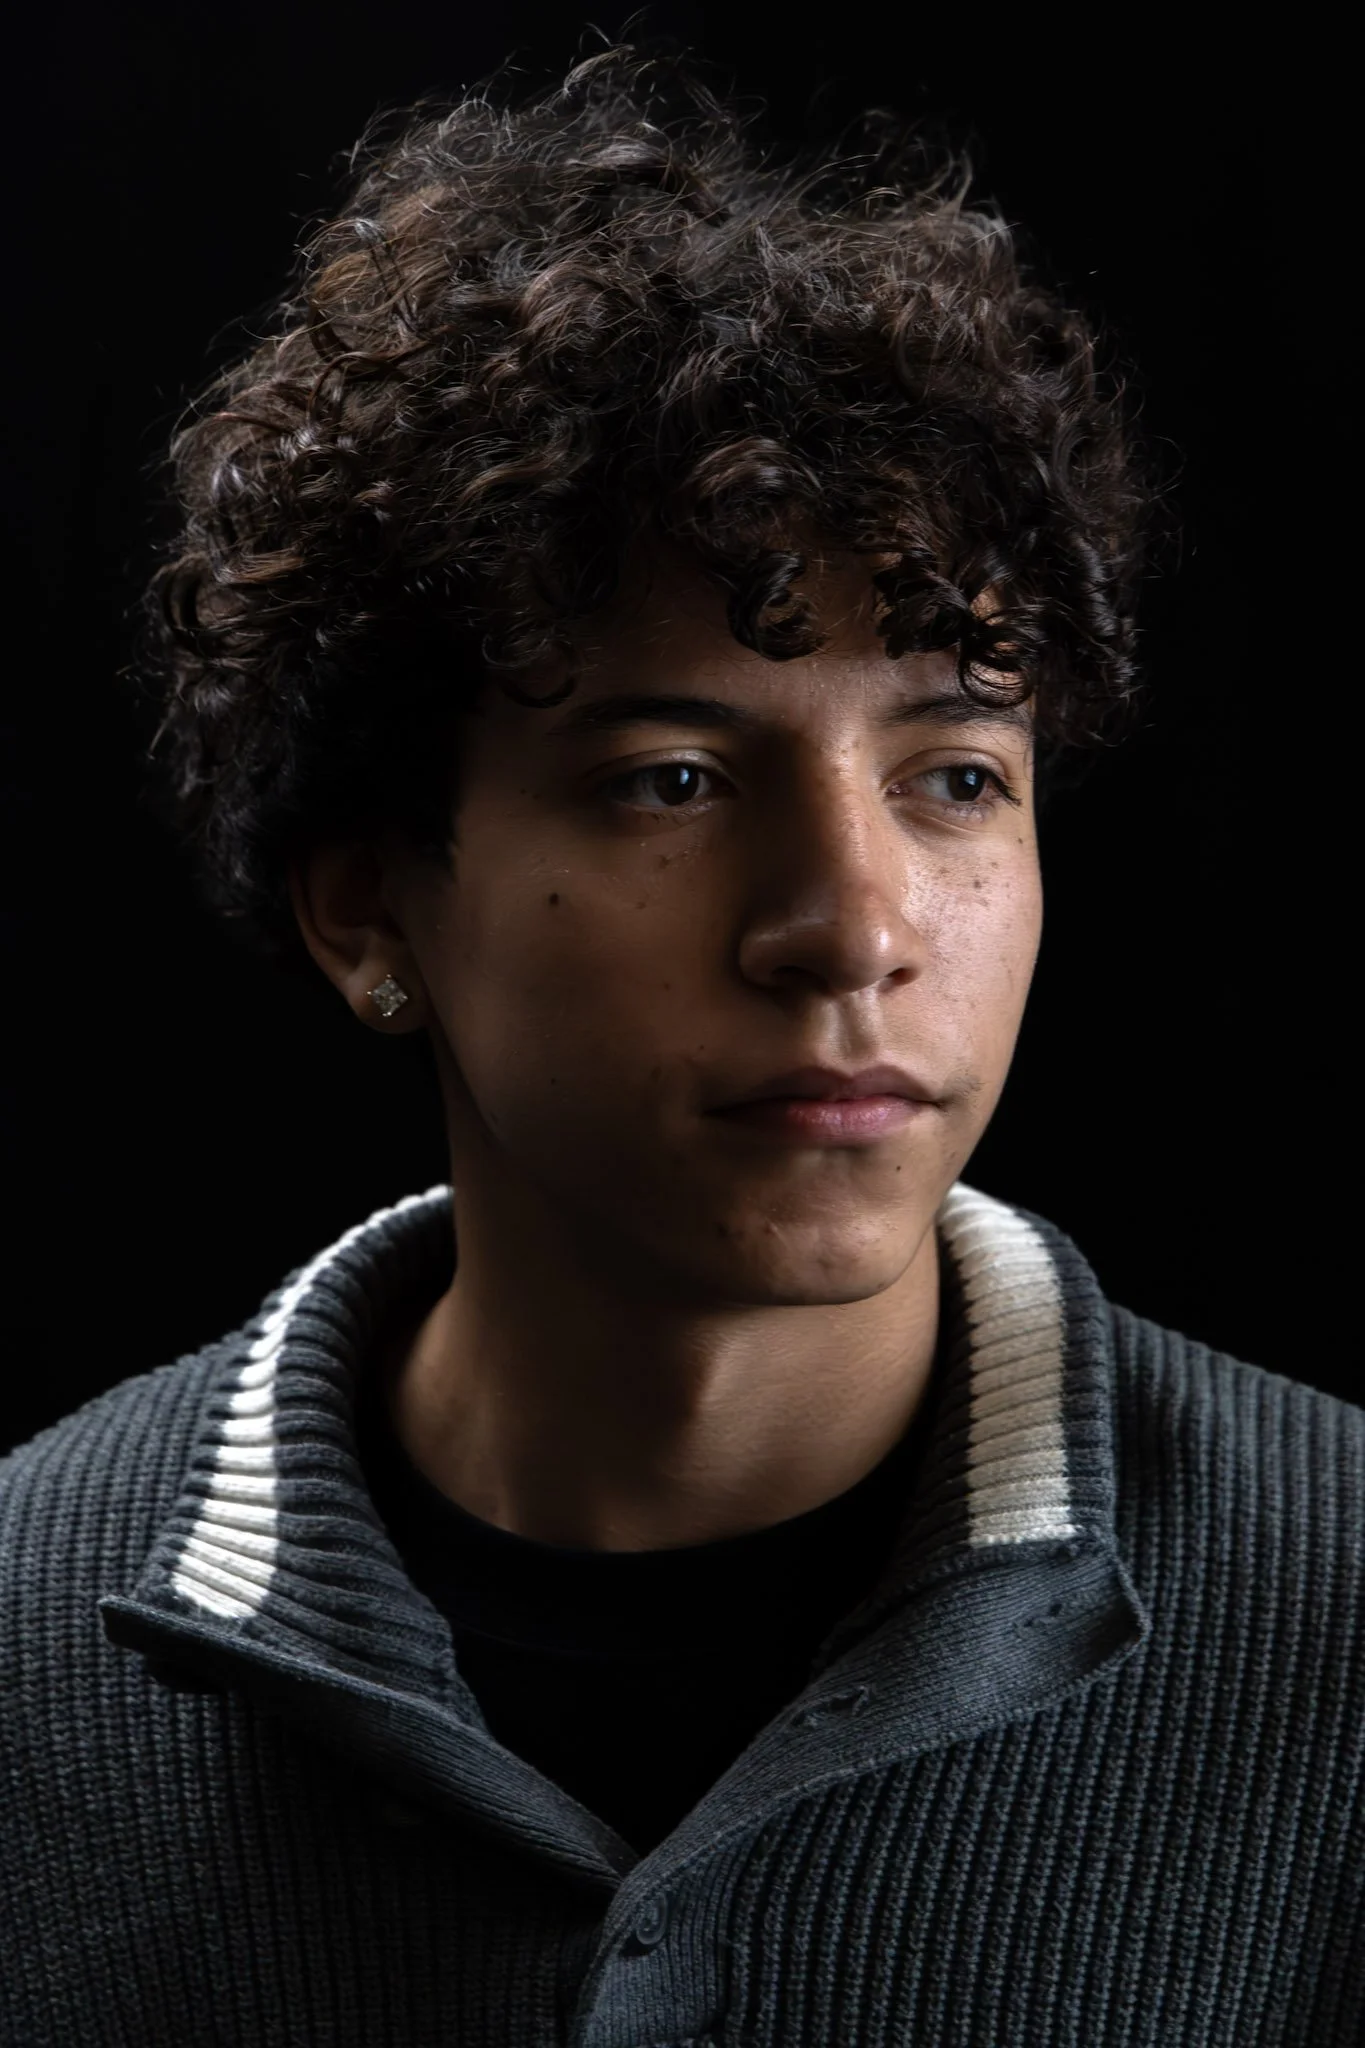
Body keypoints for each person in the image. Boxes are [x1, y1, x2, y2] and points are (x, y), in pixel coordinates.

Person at [2, 43, 1359, 2048]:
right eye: (666, 777)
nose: (855, 926)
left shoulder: (1334, 1607)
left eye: (958, 777)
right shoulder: (26, 1634)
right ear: (371, 908)